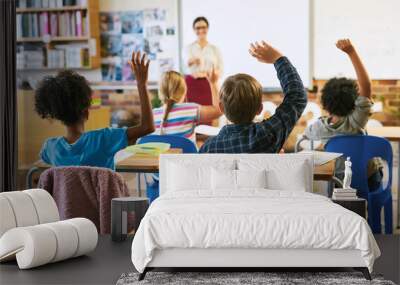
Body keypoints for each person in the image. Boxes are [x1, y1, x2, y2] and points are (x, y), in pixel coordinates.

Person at [35, 51, 154, 170]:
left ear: (58, 115)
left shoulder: (50, 147)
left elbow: (42, 161)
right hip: (102, 190)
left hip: (67, 190)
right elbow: (147, 127)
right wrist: (141, 84)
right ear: (86, 112)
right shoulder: (103, 139)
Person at [199, 40, 307, 153]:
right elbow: (297, 97)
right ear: (260, 108)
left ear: (221, 108)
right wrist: (278, 59)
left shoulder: (208, 148)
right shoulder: (267, 135)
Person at [304, 39, 383, 190]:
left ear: (325, 105)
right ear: (355, 102)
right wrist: (351, 52)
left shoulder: (320, 127)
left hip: (339, 180)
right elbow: (366, 87)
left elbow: (306, 136)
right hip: (368, 177)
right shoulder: (356, 121)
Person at [153, 69, 221, 143]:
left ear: (160, 92)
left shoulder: (153, 115)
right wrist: (213, 83)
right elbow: (219, 110)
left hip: (162, 155)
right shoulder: (190, 110)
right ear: (184, 91)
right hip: (186, 154)